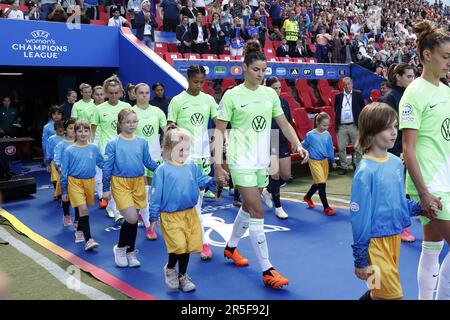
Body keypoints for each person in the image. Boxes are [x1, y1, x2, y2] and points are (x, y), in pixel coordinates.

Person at [213, 41, 309, 289]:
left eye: (263, 70)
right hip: (240, 161)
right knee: (258, 210)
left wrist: (297, 144)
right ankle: (267, 269)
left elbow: (285, 124)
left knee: (248, 206)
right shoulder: (232, 96)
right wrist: (217, 165)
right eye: (256, 69)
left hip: (261, 160)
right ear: (244, 67)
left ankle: (231, 248)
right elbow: (220, 131)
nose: (260, 74)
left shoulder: (269, 95)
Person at [350, 102, 423, 300]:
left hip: (394, 238)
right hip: (375, 244)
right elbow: (359, 219)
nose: (394, 132)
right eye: (387, 127)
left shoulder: (395, 163)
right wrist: (360, 259)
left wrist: (422, 208)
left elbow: (398, 202)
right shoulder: (365, 172)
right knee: (392, 296)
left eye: (395, 126)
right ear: (372, 131)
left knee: (378, 293)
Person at [400, 21, 450, 300]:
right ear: (427, 55)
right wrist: (423, 193)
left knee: (432, 246)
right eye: (445, 57)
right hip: (429, 185)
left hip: (446, 179)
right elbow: (408, 149)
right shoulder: (414, 93)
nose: (449, 63)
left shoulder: (445, 91)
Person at [150, 126, 214, 292]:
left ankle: (183, 276)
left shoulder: (191, 166)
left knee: (187, 247)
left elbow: (201, 178)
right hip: (170, 215)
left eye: (187, 149)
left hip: (189, 213)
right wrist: (153, 216)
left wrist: (212, 181)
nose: (184, 153)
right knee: (178, 245)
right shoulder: (162, 170)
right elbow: (155, 196)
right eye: (180, 149)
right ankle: (170, 268)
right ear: (167, 149)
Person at [167, 64, 218, 260]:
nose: (199, 85)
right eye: (195, 82)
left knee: (198, 201)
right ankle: (197, 240)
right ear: (188, 79)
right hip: (183, 157)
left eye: (202, 82)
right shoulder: (178, 101)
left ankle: (199, 239)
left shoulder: (209, 99)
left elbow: (218, 121)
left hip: (203, 156)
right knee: (187, 200)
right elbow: (170, 127)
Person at [103, 108, 159, 268]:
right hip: (120, 184)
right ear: (120, 124)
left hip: (138, 183)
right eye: (128, 122)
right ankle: (120, 248)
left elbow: (148, 162)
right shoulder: (113, 144)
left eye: (134, 121)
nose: (132, 124)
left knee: (133, 221)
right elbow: (107, 167)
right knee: (132, 218)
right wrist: (105, 189)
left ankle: (131, 251)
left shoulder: (141, 142)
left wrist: (163, 170)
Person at [379, 63, 416, 243]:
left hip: (409, 147)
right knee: (396, 190)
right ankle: (401, 227)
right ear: (398, 77)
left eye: (413, 76)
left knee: (406, 189)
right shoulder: (390, 98)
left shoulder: (411, 95)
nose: (412, 80)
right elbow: (389, 128)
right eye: (408, 76)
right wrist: (397, 150)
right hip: (396, 150)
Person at [91, 75, 132, 224]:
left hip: (124, 149)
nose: (114, 95)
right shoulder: (99, 109)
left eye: (116, 92)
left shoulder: (126, 108)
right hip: (105, 150)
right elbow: (93, 131)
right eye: (111, 93)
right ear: (106, 93)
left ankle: (113, 207)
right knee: (109, 180)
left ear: (121, 92)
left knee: (121, 180)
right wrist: (93, 150)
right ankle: (116, 211)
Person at [61, 120, 104, 249]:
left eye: (86, 131)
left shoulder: (93, 148)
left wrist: (114, 169)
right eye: (79, 131)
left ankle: (79, 230)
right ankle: (89, 239)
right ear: (75, 133)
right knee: (83, 208)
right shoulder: (69, 150)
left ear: (89, 132)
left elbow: (101, 163)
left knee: (83, 208)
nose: (83, 134)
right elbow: (64, 172)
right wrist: (64, 191)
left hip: (89, 182)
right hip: (74, 182)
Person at [132, 83, 167, 240]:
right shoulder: (131, 113)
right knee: (143, 192)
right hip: (137, 158)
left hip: (155, 157)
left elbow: (167, 132)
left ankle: (146, 216)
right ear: (135, 94)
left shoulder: (157, 111)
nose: (144, 95)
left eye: (146, 92)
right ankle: (148, 226)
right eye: (141, 92)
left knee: (152, 190)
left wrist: (164, 148)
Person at [261, 76, 293, 219]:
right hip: (269, 141)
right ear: (268, 89)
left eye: (280, 88)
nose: (278, 91)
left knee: (285, 175)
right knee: (274, 174)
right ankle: (278, 207)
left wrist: (295, 143)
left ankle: (268, 190)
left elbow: (288, 124)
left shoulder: (285, 103)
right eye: (275, 88)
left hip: (282, 141)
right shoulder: (263, 104)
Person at [301, 112, 337, 216]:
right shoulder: (310, 135)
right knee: (321, 183)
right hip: (314, 161)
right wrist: (299, 148)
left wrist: (333, 160)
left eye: (327, 125)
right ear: (317, 123)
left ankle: (307, 197)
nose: (326, 127)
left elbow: (330, 148)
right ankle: (326, 208)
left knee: (318, 183)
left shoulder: (327, 135)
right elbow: (303, 144)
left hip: (324, 161)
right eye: (324, 125)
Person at [334, 77, 365, 175]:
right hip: (342, 126)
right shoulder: (338, 96)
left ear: (352, 84)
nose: (347, 86)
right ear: (342, 85)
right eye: (345, 84)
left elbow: (362, 109)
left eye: (348, 84)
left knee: (358, 148)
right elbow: (336, 109)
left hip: (354, 125)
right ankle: (344, 167)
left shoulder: (358, 94)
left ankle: (358, 165)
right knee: (341, 148)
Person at [54, 118, 77, 227]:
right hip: (65, 176)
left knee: (79, 199)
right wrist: (60, 169)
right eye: (70, 128)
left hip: (78, 176)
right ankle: (66, 215)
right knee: (66, 197)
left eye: (75, 128)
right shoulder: (61, 144)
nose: (73, 130)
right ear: (65, 130)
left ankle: (78, 220)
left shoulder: (81, 143)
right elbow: (57, 160)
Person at [87, 85, 107, 209]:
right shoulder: (88, 110)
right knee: (99, 171)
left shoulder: (109, 108)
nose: (99, 97)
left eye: (101, 94)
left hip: (109, 142)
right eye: (97, 94)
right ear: (93, 96)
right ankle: (101, 197)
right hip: (94, 142)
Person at [45, 120, 65, 200]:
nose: (62, 132)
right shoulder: (51, 139)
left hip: (65, 162)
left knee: (64, 179)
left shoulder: (67, 138)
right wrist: (47, 164)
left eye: (63, 130)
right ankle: (57, 193)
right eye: (60, 131)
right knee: (55, 179)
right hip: (54, 162)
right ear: (55, 130)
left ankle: (63, 194)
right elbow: (48, 152)